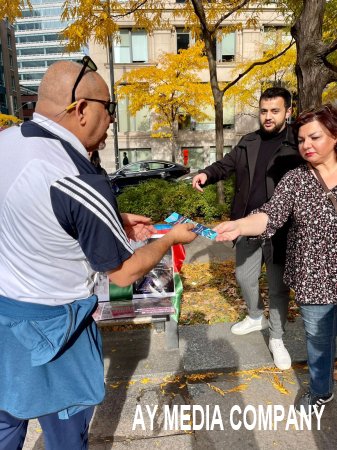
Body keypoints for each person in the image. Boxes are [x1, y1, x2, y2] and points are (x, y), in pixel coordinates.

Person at [0, 56, 196, 449]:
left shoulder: (7, 143)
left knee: (6, 421)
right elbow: (122, 272)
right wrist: (169, 238)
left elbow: (31, 210)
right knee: (67, 432)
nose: (112, 123)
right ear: (83, 109)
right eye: (110, 110)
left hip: (4, 314)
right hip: (53, 331)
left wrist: (112, 219)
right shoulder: (77, 176)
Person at [214, 103, 337, 414]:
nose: (306, 145)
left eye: (315, 137)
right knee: (319, 345)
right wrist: (240, 225)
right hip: (314, 284)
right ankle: (321, 391)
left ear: (334, 136)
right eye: (301, 140)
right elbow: (270, 216)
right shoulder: (295, 180)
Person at [192, 87, 302, 370]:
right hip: (246, 224)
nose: (268, 117)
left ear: (288, 112)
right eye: (264, 111)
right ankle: (255, 316)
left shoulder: (296, 144)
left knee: (278, 287)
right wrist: (207, 173)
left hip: (281, 229)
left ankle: (277, 337)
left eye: (275, 111)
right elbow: (226, 165)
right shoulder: (248, 141)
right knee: (244, 276)